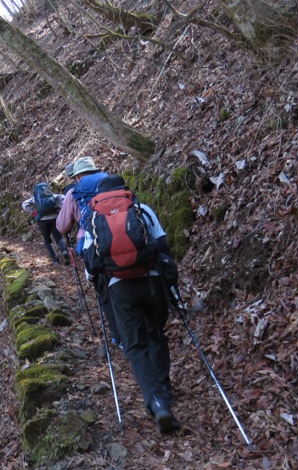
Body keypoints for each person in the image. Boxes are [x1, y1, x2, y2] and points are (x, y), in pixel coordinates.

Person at [70, 156, 181, 435]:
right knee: (156, 333)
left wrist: (97, 280)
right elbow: (164, 247)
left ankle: (156, 400)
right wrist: (171, 284)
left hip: (119, 287)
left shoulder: (93, 217)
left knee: (134, 343)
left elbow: (91, 265)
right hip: (153, 282)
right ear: (125, 190)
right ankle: (164, 386)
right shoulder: (142, 210)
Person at [57, 156, 122, 347]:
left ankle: (118, 337)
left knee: (105, 292)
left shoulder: (75, 192)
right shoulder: (112, 182)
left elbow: (62, 226)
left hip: (94, 247)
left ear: (77, 176)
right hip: (123, 235)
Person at [22, 184, 69, 265]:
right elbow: (64, 198)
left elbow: (24, 204)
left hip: (42, 220)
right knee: (58, 237)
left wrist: (33, 213)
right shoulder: (53, 195)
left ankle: (55, 260)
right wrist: (60, 209)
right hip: (55, 218)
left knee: (47, 241)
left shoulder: (36, 198)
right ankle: (64, 251)